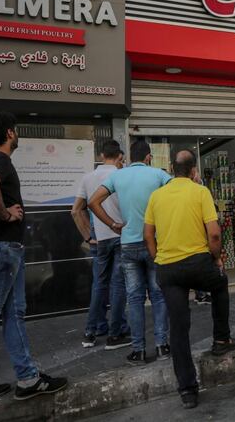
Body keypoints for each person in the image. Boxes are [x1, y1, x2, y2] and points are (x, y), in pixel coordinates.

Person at [0, 112, 67, 406]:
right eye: (15, 131)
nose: (16, 134)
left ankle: (26, 378)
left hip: (0, 246)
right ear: (9, 134)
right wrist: (6, 214)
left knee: (11, 313)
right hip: (3, 247)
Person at [145, 150, 235, 409]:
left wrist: (158, 259)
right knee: (220, 284)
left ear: (172, 170)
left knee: (178, 328)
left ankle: (187, 390)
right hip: (198, 264)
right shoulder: (200, 192)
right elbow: (214, 235)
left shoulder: (157, 195)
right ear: (193, 171)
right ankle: (221, 339)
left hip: (168, 269)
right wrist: (218, 259)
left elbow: (148, 234)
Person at [89, 140, 171, 365]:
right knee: (158, 295)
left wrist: (113, 224)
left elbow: (93, 202)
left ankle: (139, 351)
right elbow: (176, 195)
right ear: (148, 157)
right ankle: (162, 346)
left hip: (128, 245)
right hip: (154, 243)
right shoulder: (159, 175)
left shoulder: (117, 176)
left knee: (134, 298)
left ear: (130, 157)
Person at [71, 140, 129, 349]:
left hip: (99, 239)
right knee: (117, 285)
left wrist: (88, 236)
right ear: (119, 156)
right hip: (120, 235)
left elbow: (76, 210)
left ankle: (91, 332)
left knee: (99, 285)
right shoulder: (122, 175)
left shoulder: (88, 178)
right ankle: (117, 333)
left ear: (101, 155)